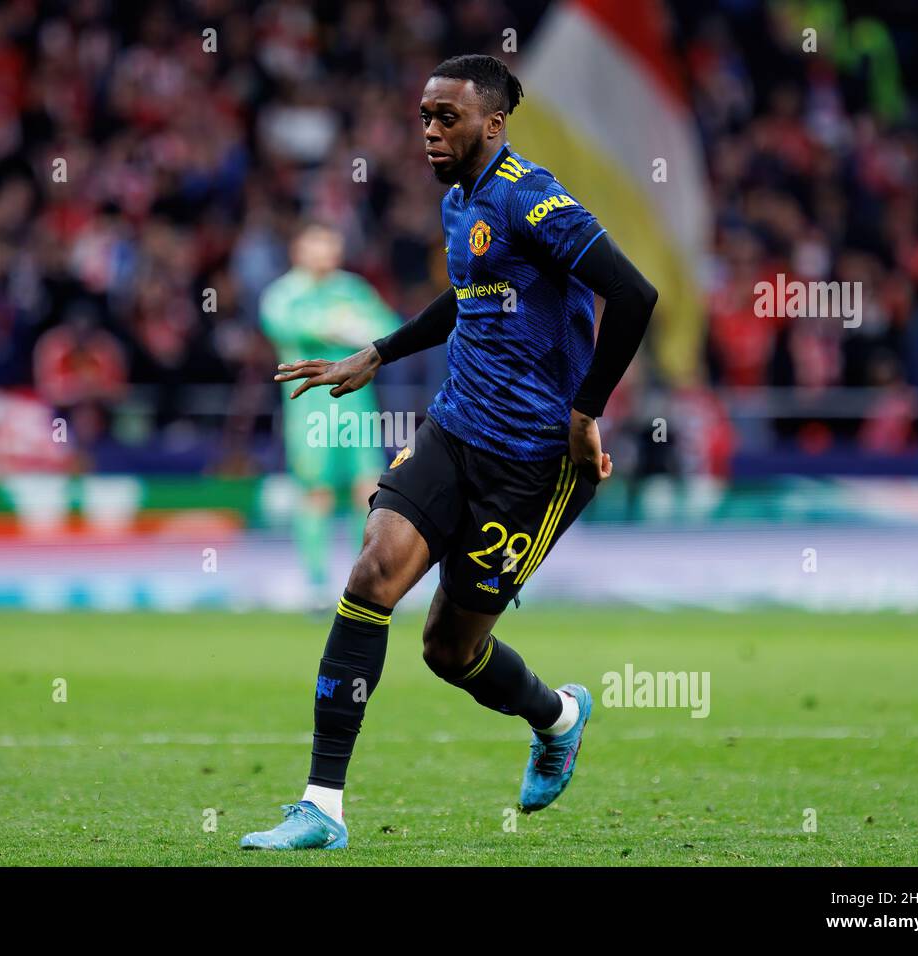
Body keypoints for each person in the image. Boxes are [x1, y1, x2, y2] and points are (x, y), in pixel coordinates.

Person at [242, 55, 658, 850]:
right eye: (425, 117)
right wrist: (381, 350)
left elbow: (635, 296)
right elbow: (467, 299)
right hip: (453, 428)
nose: (430, 132)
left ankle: (558, 717)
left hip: (534, 465)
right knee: (372, 571)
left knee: (448, 649)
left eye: (448, 118)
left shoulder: (534, 199)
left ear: (493, 124)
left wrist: (585, 413)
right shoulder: (461, 200)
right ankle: (321, 806)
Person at [260, 223, 401, 607]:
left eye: (330, 246)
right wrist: (335, 328)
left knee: (368, 492)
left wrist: (364, 331)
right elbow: (277, 324)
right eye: (316, 246)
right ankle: (317, 585)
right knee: (316, 493)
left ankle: (367, 582)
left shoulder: (352, 290)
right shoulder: (286, 294)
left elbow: (391, 329)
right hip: (309, 409)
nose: (324, 254)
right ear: (298, 251)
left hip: (355, 406)